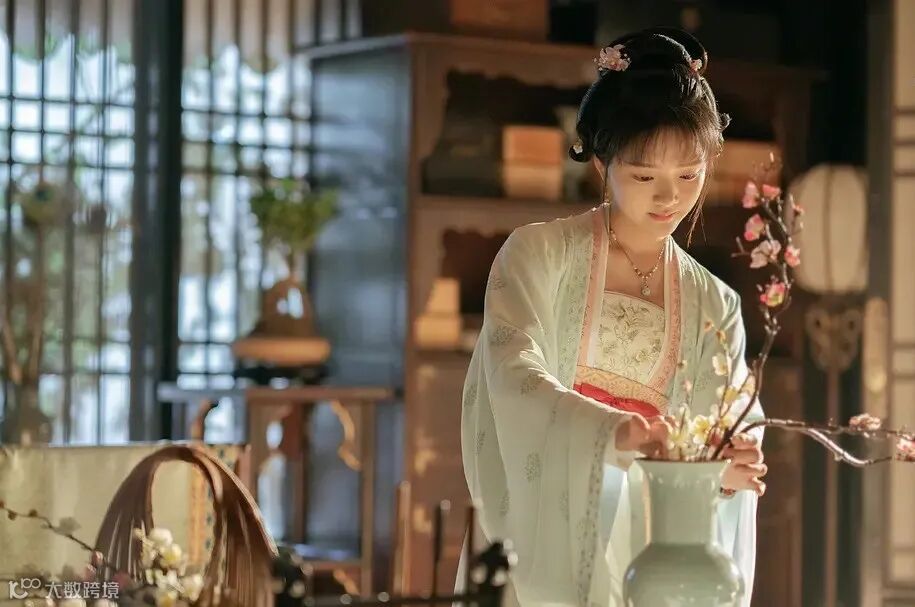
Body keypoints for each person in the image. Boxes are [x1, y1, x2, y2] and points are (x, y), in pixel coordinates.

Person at [460, 28, 767, 607]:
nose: (669, 197)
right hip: (548, 528)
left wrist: (730, 456)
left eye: (689, 174)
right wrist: (611, 432)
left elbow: (727, 413)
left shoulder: (715, 302)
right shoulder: (537, 254)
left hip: (657, 547)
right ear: (601, 161)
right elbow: (512, 372)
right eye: (645, 176)